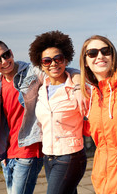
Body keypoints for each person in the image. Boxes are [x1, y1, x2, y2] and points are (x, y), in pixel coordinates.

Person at [28, 31, 87, 194]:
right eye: (46, 60)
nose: (53, 64)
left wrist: (78, 83)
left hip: (70, 155)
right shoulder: (40, 88)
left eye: (58, 58)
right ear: (41, 65)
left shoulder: (78, 88)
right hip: (48, 155)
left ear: (66, 59)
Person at [0, 39, 43, 194]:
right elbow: (5, 122)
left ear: (11, 52)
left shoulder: (33, 72)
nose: (4, 61)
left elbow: (61, 71)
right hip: (8, 154)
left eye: (6, 54)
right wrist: (3, 152)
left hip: (28, 150)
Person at [79, 35, 117, 194]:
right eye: (92, 53)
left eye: (105, 51)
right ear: (86, 62)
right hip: (102, 177)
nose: (100, 56)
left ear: (113, 55)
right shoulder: (93, 95)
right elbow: (93, 130)